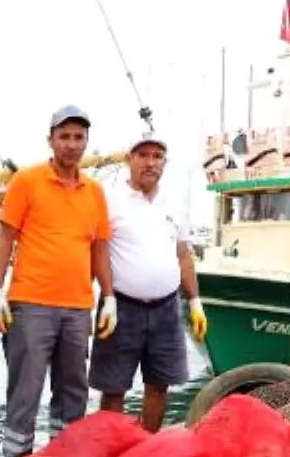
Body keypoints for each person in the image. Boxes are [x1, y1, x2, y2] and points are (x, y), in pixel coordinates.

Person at [0, 106, 115, 457]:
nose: (72, 145)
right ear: (50, 140)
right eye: (65, 137)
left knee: (72, 392)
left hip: (78, 308)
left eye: (79, 138)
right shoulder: (27, 181)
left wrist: (108, 297)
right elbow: (5, 237)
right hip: (30, 304)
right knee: (24, 392)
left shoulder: (94, 191)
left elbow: (99, 248)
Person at [89, 135, 208, 432]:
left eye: (157, 156)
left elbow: (183, 255)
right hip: (120, 307)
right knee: (113, 387)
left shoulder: (175, 203)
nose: (150, 162)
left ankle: (146, 446)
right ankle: (111, 453)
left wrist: (195, 301)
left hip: (166, 309)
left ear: (164, 164)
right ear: (129, 160)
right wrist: (108, 298)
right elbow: (99, 250)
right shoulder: (109, 199)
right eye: (143, 155)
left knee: (159, 385)